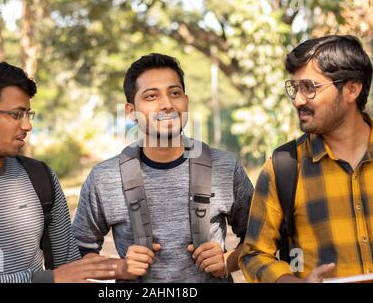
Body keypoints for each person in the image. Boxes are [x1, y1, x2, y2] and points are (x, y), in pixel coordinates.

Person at [0, 61, 117, 283]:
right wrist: (47, 280)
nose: (27, 126)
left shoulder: (40, 178)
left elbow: (69, 269)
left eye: (28, 114)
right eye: (16, 115)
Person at [72, 53, 253, 282]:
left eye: (174, 93)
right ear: (130, 112)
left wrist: (228, 262)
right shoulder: (104, 178)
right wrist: (120, 268)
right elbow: (77, 251)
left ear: (186, 101)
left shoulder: (225, 167)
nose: (167, 104)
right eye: (151, 96)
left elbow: (261, 240)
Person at [239, 35, 373, 283]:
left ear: (352, 89)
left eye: (310, 87)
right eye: (295, 88)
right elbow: (254, 255)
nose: (297, 100)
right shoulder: (284, 167)